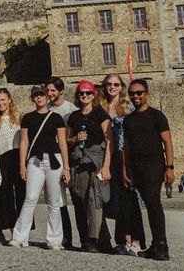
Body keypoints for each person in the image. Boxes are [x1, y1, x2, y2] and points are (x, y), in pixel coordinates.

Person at [11, 84, 70, 250]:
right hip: (35, 160)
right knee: (30, 198)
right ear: (32, 98)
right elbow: (24, 142)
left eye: (42, 95)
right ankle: (20, 237)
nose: (39, 98)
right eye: (36, 95)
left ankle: (54, 240)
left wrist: (66, 167)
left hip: (54, 160)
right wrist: (22, 165)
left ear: (46, 97)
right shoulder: (28, 118)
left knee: (54, 201)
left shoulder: (56, 118)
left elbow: (63, 143)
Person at [122, 79, 174, 262]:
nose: (135, 96)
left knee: (153, 202)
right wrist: (125, 169)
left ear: (147, 94)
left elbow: (167, 142)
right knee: (149, 204)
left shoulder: (157, 116)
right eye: (132, 94)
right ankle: (155, 245)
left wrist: (170, 167)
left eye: (139, 93)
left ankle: (161, 246)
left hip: (154, 165)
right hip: (137, 167)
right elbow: (126, 147)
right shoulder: (128, 120)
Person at [67, 80, 111, 252]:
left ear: (94, 95)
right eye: (81, 93)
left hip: (97, 160)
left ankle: (93, 239)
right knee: (85, 200)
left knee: (95, 198)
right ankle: (104, 240)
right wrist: (76, 139)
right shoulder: (74, 116)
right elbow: (67, 141)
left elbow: (110, 141)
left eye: (88, 93)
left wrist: (106, 166)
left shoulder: (100, 114)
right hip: (80, 161)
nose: (85, 95)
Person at [103, 72, 144, 256]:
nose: (112, 87)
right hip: (109, 157)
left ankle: (136, 240)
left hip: (126, 155)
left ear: (121, 87)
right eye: (109, 84)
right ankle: (122, 240)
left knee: (132, 199)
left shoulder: (128, 107)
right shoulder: (101, 107)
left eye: (116, 84)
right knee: (118, 200)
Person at [0, 87, 23, 246]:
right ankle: (1, 231)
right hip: (3, 159)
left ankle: (19, 230)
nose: (0, 103)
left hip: (18, 158)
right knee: (2, 197)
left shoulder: (19, 117)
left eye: (3, 99)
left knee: (20, 196)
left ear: (9, 100)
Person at [46, 76, 76, 248]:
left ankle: (88, 238)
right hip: (54, 159)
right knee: (58, 199)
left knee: (79, 199)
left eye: (52, 91)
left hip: (71, 157)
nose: (49, 94)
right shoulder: (46, 109)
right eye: (47, 90)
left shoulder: (71, 109)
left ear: (61, 91)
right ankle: (66, 237)